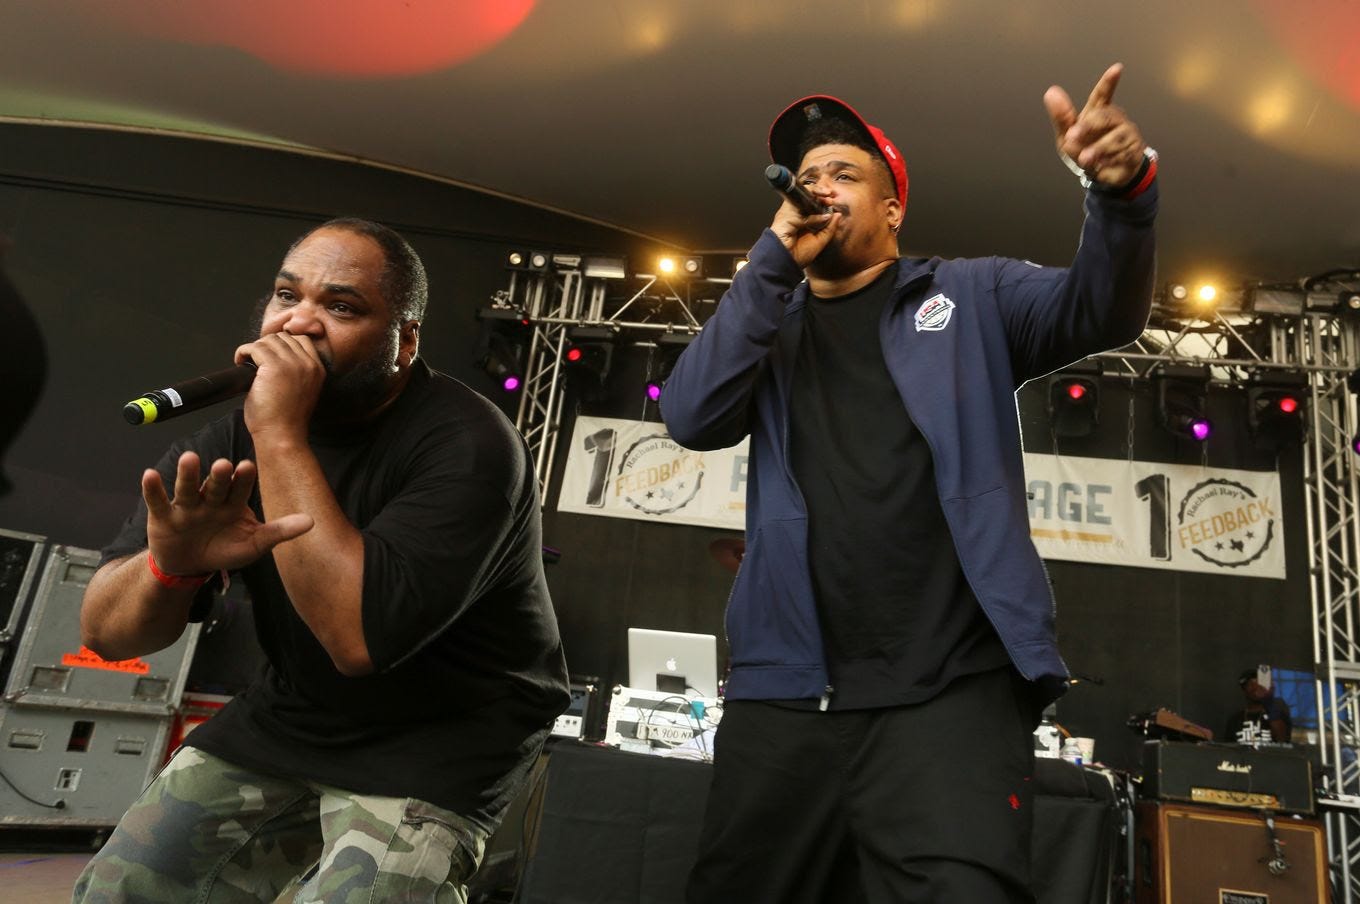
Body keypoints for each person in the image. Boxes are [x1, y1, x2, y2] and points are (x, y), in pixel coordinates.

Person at [660, 65, 1156, 903]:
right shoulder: (766, 324)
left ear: (894, 208)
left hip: (948, 694)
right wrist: (769, 267)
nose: (820, 188)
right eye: (807, 178)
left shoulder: (970, 294)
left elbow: (1099, 310)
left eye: (844, 175)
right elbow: (690, 416)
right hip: (788, 691)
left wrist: (1122, 196)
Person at [74, 218, 570, 903]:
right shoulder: (228, 434)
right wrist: (170, 565)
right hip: (293, 713)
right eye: (287, 296)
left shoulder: (469, 443)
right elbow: (108, 633)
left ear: (405, 342)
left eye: (341, 307)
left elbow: (356, 637)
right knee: (117, 890)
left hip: (443, 735)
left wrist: (277, 428)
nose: (299, 323)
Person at [1225, 667, 1293, 744]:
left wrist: (1268, 700)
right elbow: (1227, 751)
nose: (1256, 687)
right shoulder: (1234, 720)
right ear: (1244, 690)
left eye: (1259, 683)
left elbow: (1282, 740)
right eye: (1250, 684)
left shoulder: (1278, 715)